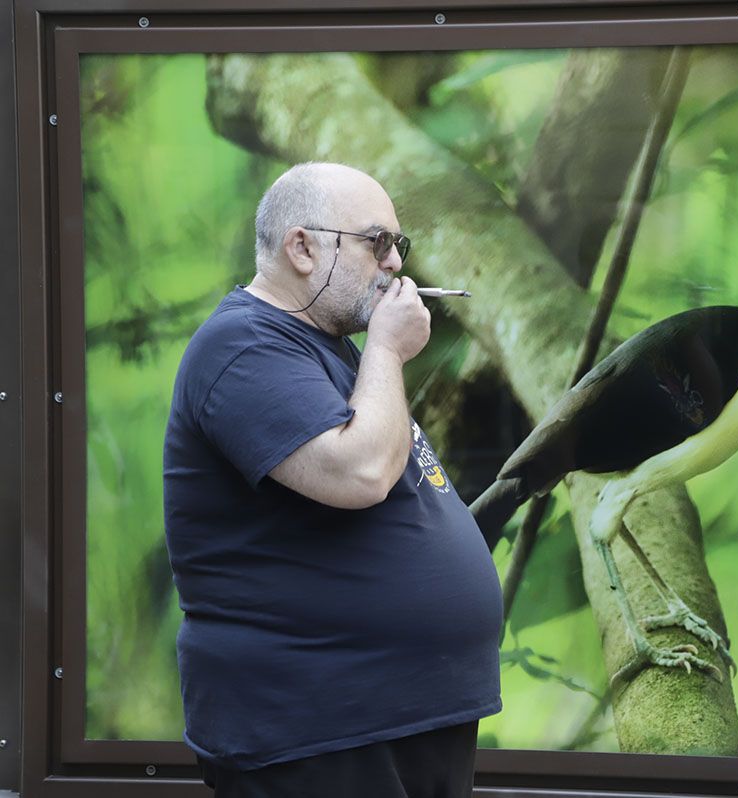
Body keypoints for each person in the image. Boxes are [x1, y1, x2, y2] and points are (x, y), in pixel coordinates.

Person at [163, 162, 502, 798]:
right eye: (378, 243)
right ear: (302, 247)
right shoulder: (242, 346)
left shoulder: (324, 346)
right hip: (313, 729)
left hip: (399, 717)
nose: (396, 264)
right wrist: (385, 350)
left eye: (400, 246)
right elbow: (362, 472)